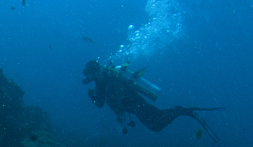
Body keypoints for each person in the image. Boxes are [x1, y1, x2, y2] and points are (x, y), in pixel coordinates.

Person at [82, 60, 222, 141]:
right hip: (136, 104)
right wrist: (93, 95)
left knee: (155, 125)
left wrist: (91, 95)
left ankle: (183, 110)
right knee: (157, 122)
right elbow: (101, 103)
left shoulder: (107, 79)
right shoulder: (101, 84)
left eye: (88, 73)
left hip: (135, 104)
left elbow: (105, 100)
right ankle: (185, 111)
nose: (87, 77)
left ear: (94, 71)